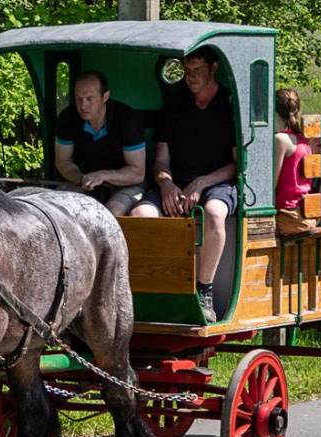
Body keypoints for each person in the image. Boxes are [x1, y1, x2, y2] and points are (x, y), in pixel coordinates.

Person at [131, 48, 236, 323]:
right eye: (187, 71)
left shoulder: (228, 104)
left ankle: (205, 291)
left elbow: (237, 165)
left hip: (217, 182)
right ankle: (157, 290)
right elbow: (161, 160)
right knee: (140, 215)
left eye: (197, 71)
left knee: (214, 212)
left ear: (213, 68)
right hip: (176, 183)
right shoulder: (175, 102)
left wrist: (201, 183)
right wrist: (166, 185)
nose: (190, 78)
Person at [53, 70, 148, 216]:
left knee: (111, 213)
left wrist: (102, 175)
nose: (83, 105)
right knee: (61, 210)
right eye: (79, 98)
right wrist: (82, 178)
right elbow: (63, 161)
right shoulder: (67, 117)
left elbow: (137, 173)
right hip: (84, 181)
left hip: (126, 183)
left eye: (90, 99)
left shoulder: (127, 119)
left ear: (105, 96)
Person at [274, 88, 315, 236]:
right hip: (307, 211)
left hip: (288, 215)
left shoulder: (281, 139)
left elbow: (272, 183)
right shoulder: (305, 138)